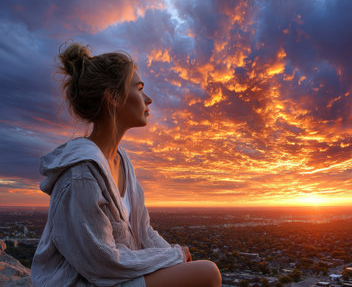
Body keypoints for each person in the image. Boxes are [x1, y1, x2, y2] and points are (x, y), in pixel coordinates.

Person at [31, 43, 222, 287]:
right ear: (113, 96)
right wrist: (173, 255)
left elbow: (144, 231)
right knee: (208, 274)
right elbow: (101, 262)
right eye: (139, 89)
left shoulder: (123, 162)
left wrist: (177, 258)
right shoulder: (80, 174)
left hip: (114, 277)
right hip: (86, 281)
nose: (148, 99)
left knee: (195, 270)